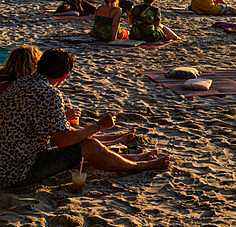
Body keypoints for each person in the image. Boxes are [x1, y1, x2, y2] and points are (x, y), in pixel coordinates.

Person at [0, 49, 170, 190]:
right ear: (65, 75)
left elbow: (55, 131)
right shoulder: (49, 93)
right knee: (89, 146)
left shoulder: (19, 84)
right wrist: (99, 126)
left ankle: (133, 159)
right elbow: (63, 140)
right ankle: (138, 166)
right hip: (16, 171)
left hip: (8, 161)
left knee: (83, 142)